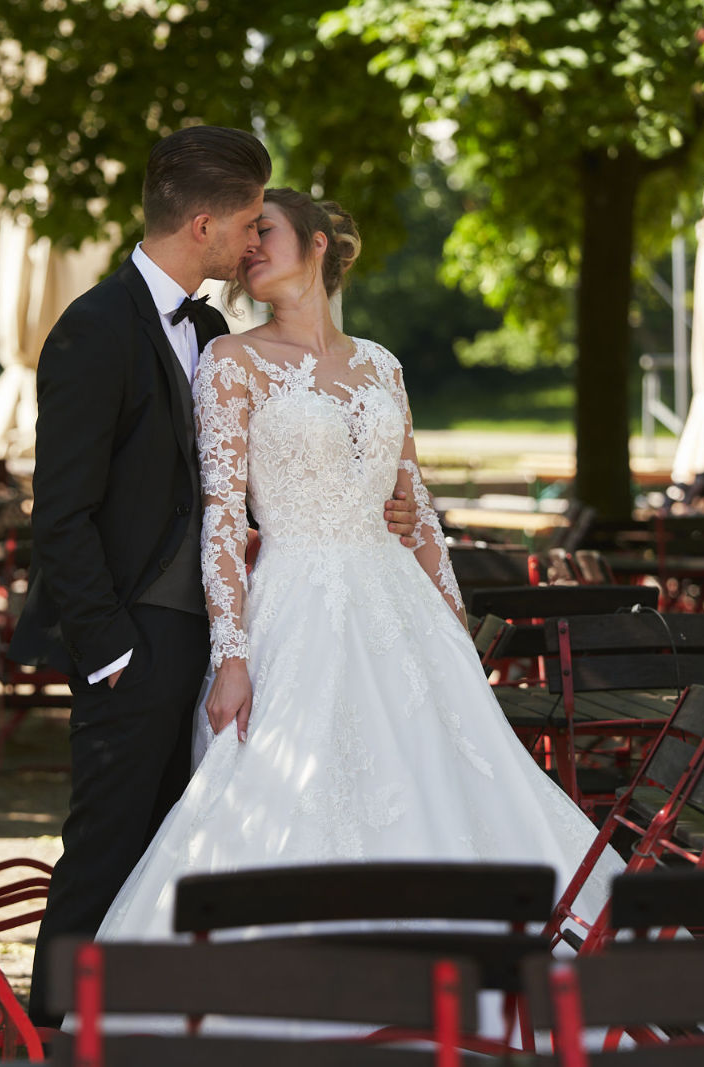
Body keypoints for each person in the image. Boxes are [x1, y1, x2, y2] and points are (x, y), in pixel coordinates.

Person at [95, 188, 623, 953]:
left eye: (264, 231)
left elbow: (419, 509)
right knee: (292, 795)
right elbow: (220, 516)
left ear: (316, 244)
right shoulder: (229, 361)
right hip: (294, 610)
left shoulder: (382, 365)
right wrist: (232, 654)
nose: (248, 249)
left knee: (451, 786)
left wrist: (455, 631)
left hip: (401, 611)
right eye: (243, 238)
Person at [11, 134, 420, 1028]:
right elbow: (62, 515)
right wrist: (110, 648)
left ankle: (141, 1022)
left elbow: (221, 483)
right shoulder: (92, 328)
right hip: (134, 635)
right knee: (106, 843)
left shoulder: (208, 332)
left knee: (175, 840)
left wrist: (346, 512)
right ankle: (48, 1031)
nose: (250, 244)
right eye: (245, 222)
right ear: (204, 223)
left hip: (230, 626)